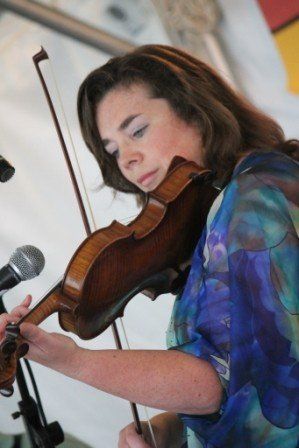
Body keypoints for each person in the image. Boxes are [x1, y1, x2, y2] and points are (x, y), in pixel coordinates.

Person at [0, 44, 298, 448]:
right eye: (113, 152)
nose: (127, 160)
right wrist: (170, 428)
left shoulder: (254, 198)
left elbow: (221, 381)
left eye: (137, 130)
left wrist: (71, 360)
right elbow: (246, 377)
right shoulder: (231, 204)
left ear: (194, 108)